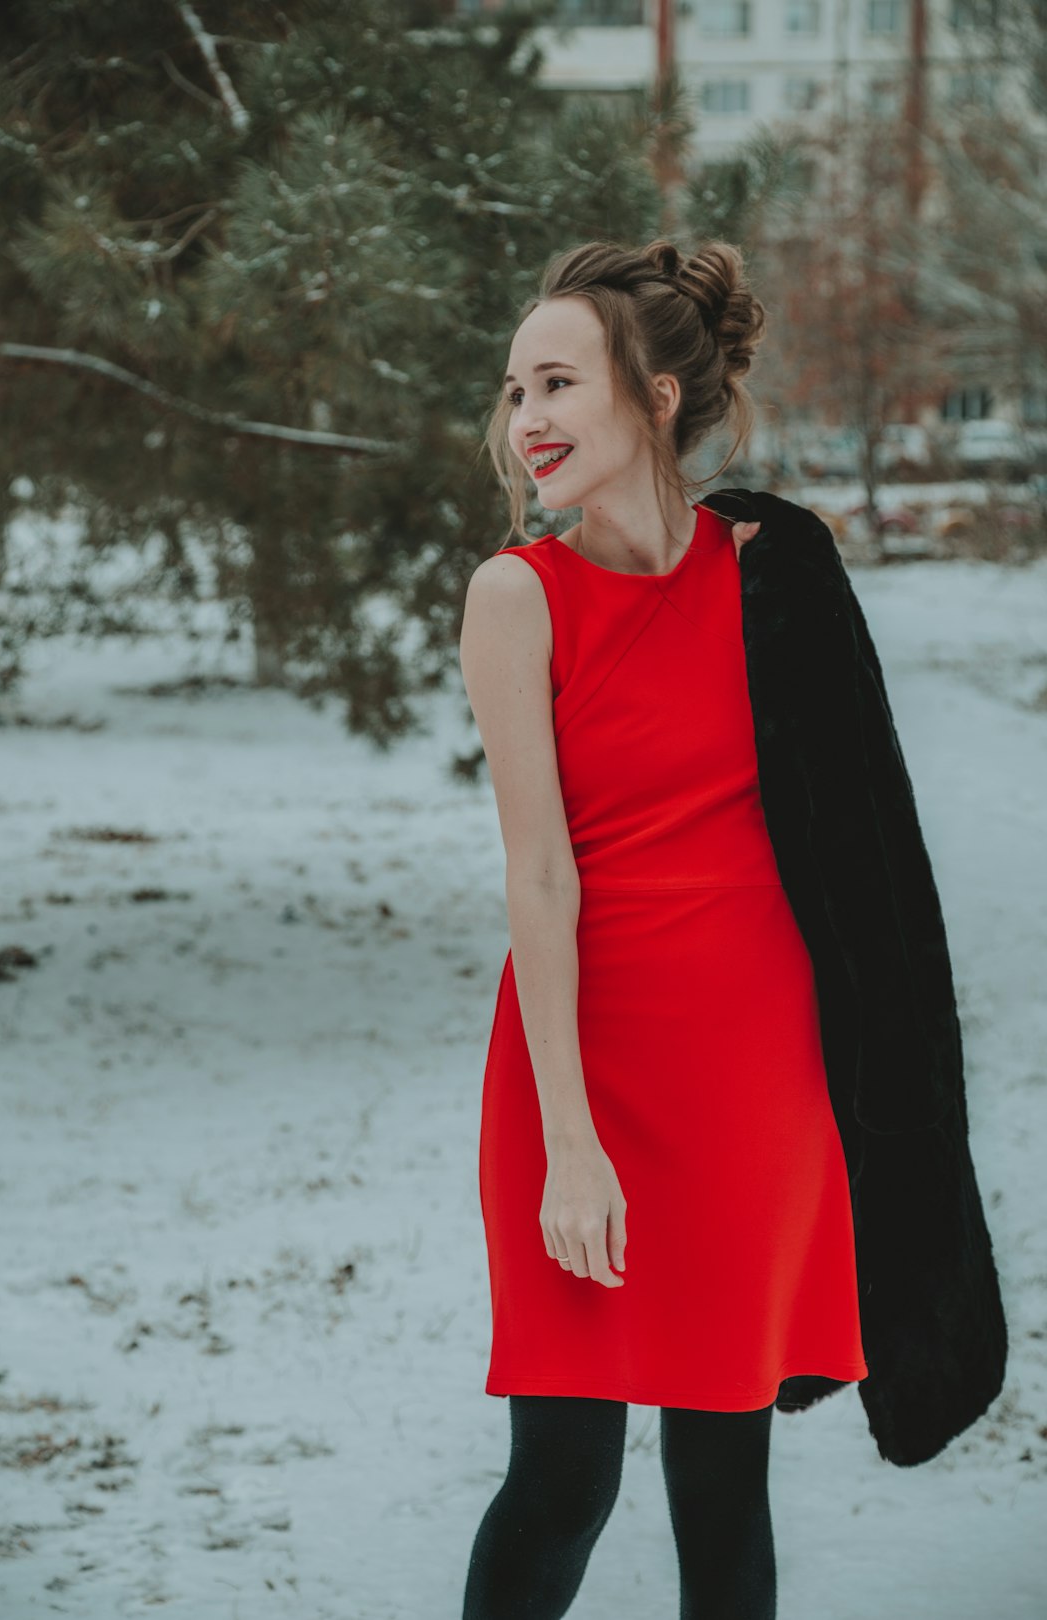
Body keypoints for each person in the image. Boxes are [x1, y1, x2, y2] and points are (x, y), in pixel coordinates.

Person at [456, 238, 868, 1620]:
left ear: (660, 397)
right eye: (516, 390)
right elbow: (540, 879)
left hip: (756, 1088)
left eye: (559, 382)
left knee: (724, 1492)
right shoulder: (520, 597)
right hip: (580, 1085)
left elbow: (853, 842)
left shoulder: (770, 568)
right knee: (566, 1477)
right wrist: (572, 1147)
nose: (528, 422)